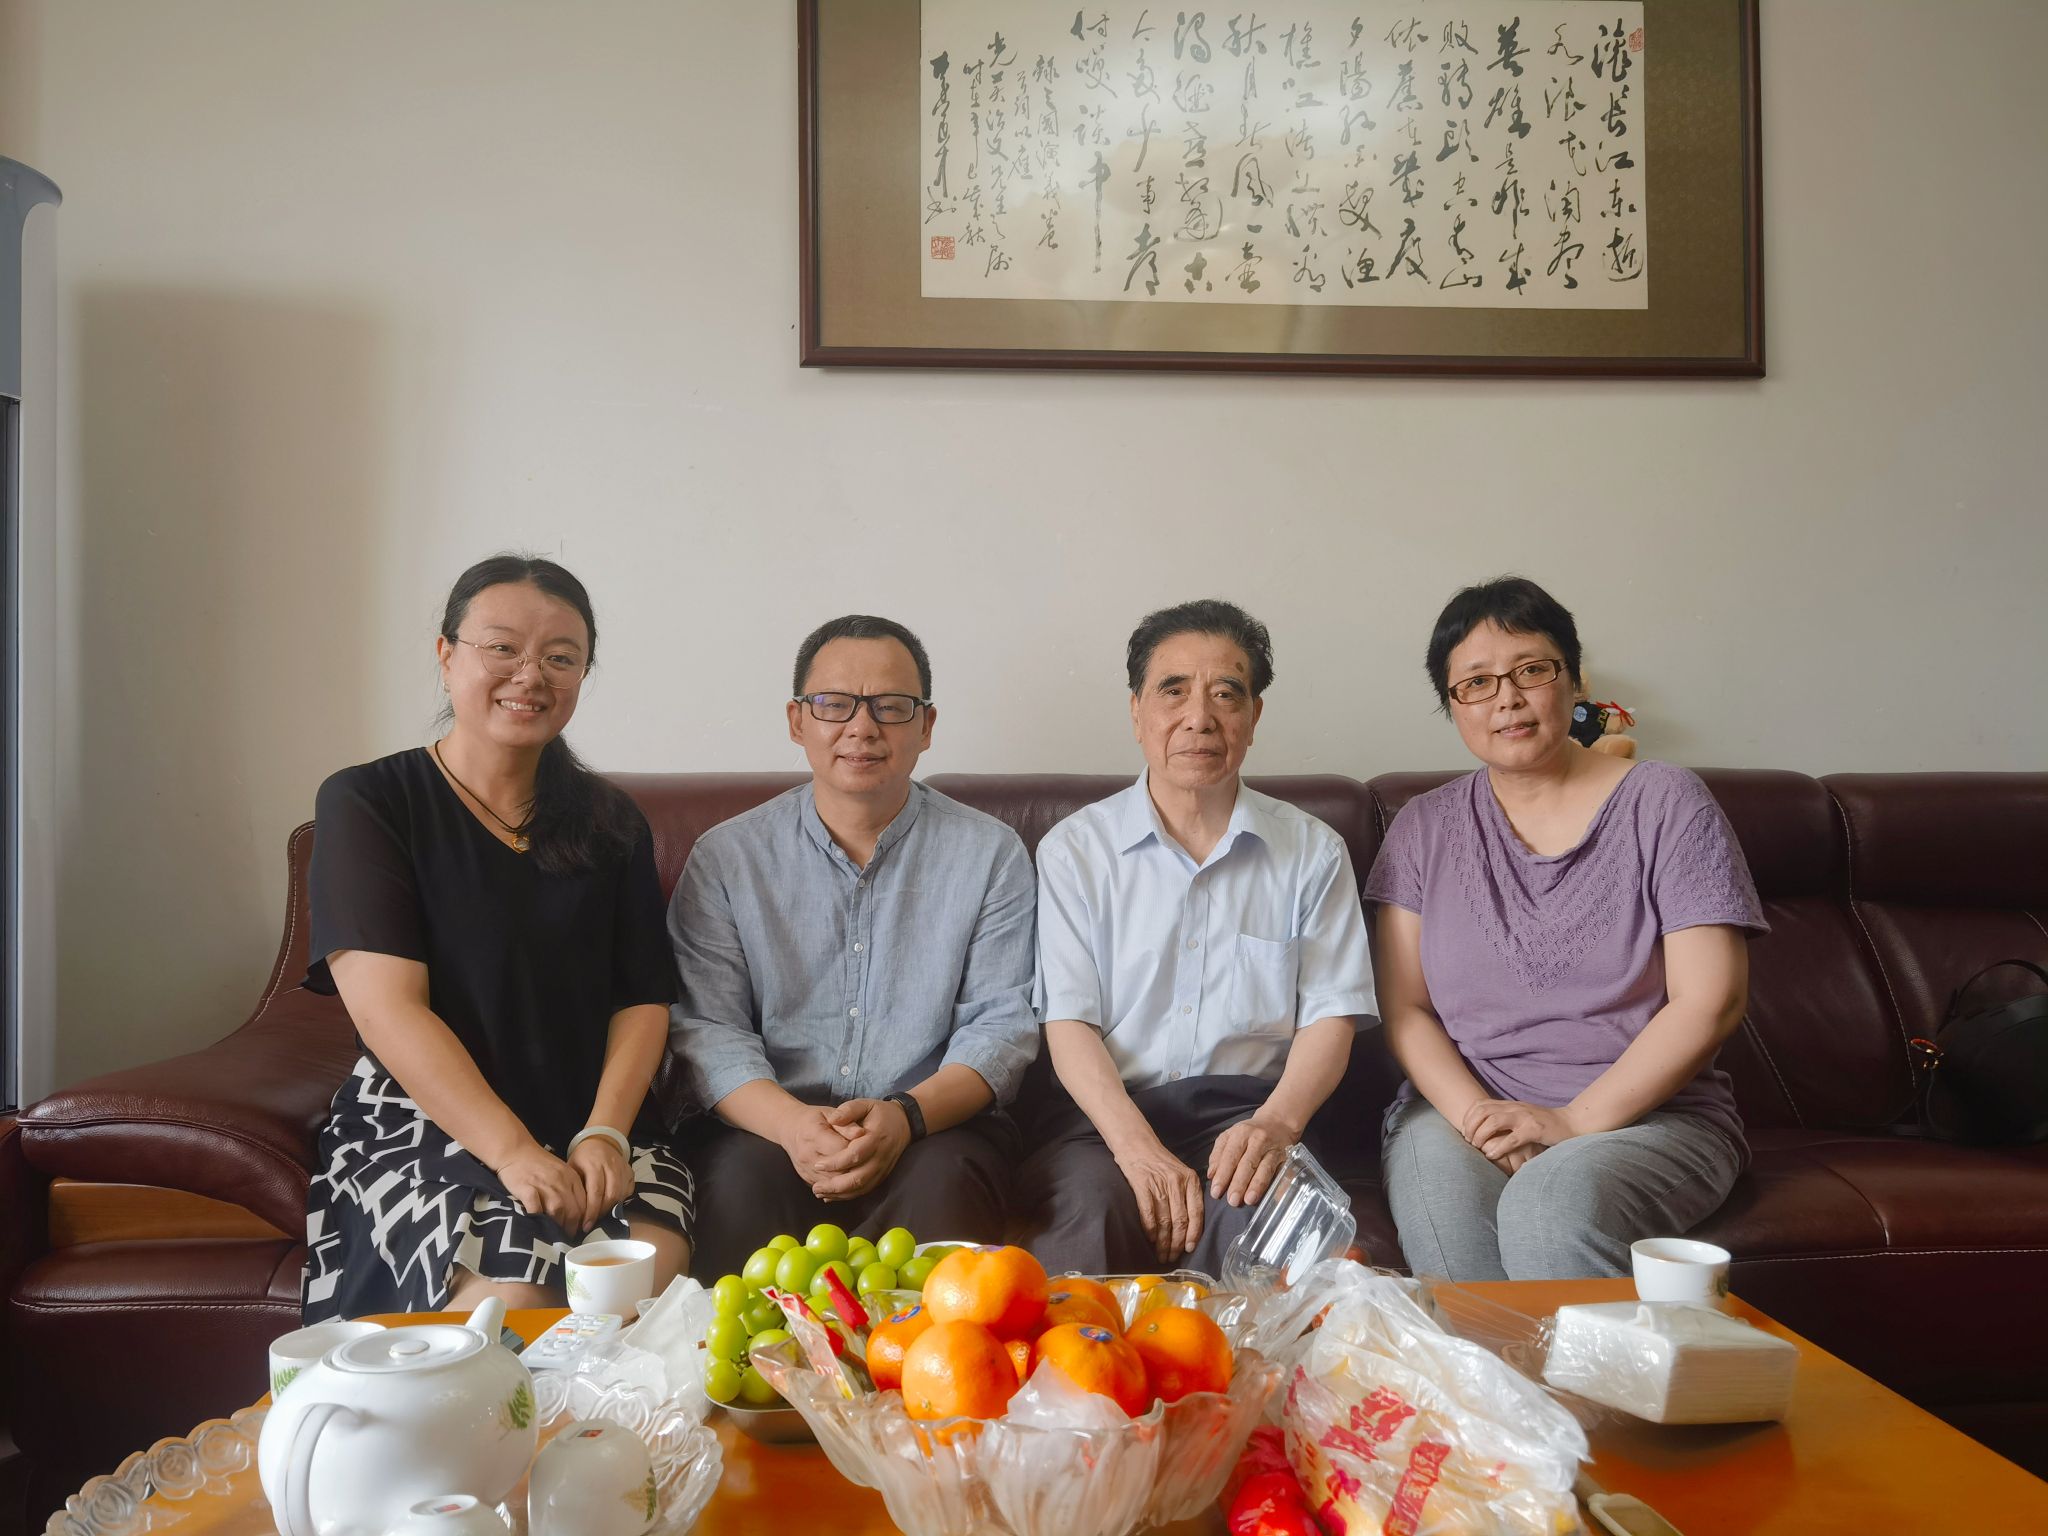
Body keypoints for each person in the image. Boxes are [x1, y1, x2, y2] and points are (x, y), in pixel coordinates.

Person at [301, 555, 691, 1321]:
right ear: (447, 656)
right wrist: (512, 1152)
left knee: (641, 1281)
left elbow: (642, 999)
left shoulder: (610, 821)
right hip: (426, 1119)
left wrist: (606, 1134)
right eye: (502, 648)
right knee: (514, 1304)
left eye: (560, 658)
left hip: (590, 1119)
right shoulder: (370, 802)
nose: (530, 675)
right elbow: (389, 1010)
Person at [1366, 576, 1765, 1281]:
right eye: (1476, 683)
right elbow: (1405, 1009)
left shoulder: (1667, 802)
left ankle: (1592, 1368)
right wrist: (1481, 1120)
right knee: (1453, 1236)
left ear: (1574, 680)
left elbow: (1712, 999)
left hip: (1651, 1120)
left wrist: (1574, 1121)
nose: (1507, 699)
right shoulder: (1423, 827)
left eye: (1531, 670)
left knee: (1550, 1205)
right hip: (1461, 1113)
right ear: (1452, 705)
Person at [668, 615, 1038, 1280]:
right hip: (770, 1123)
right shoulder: (728, 857)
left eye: (891, 707)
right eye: (834, 704)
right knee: (738, 1187)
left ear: (926, 726)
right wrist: (792, 1126)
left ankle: (930, 1354)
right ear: (797, 720)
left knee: (945, 1188)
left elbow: (1000, 1028)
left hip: (936, 1125)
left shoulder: (990, 854)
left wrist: (906, 1116)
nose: (862, 728)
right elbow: (708, 1027)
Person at [1022, 600, 1376, 1276]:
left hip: (1249, 1114)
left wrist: (1276, 1125)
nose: (1199, 717)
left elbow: (1332, 1016)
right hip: (1105, 1120)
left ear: (1254, 716)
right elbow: (1068, 1022)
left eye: (1226, 694)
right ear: (1137, 711)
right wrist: (1136, 1149)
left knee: (1268, 1252)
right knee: (1088, 1229)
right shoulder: (1075, 851)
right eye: (1173, 690)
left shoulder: (1312, 851)